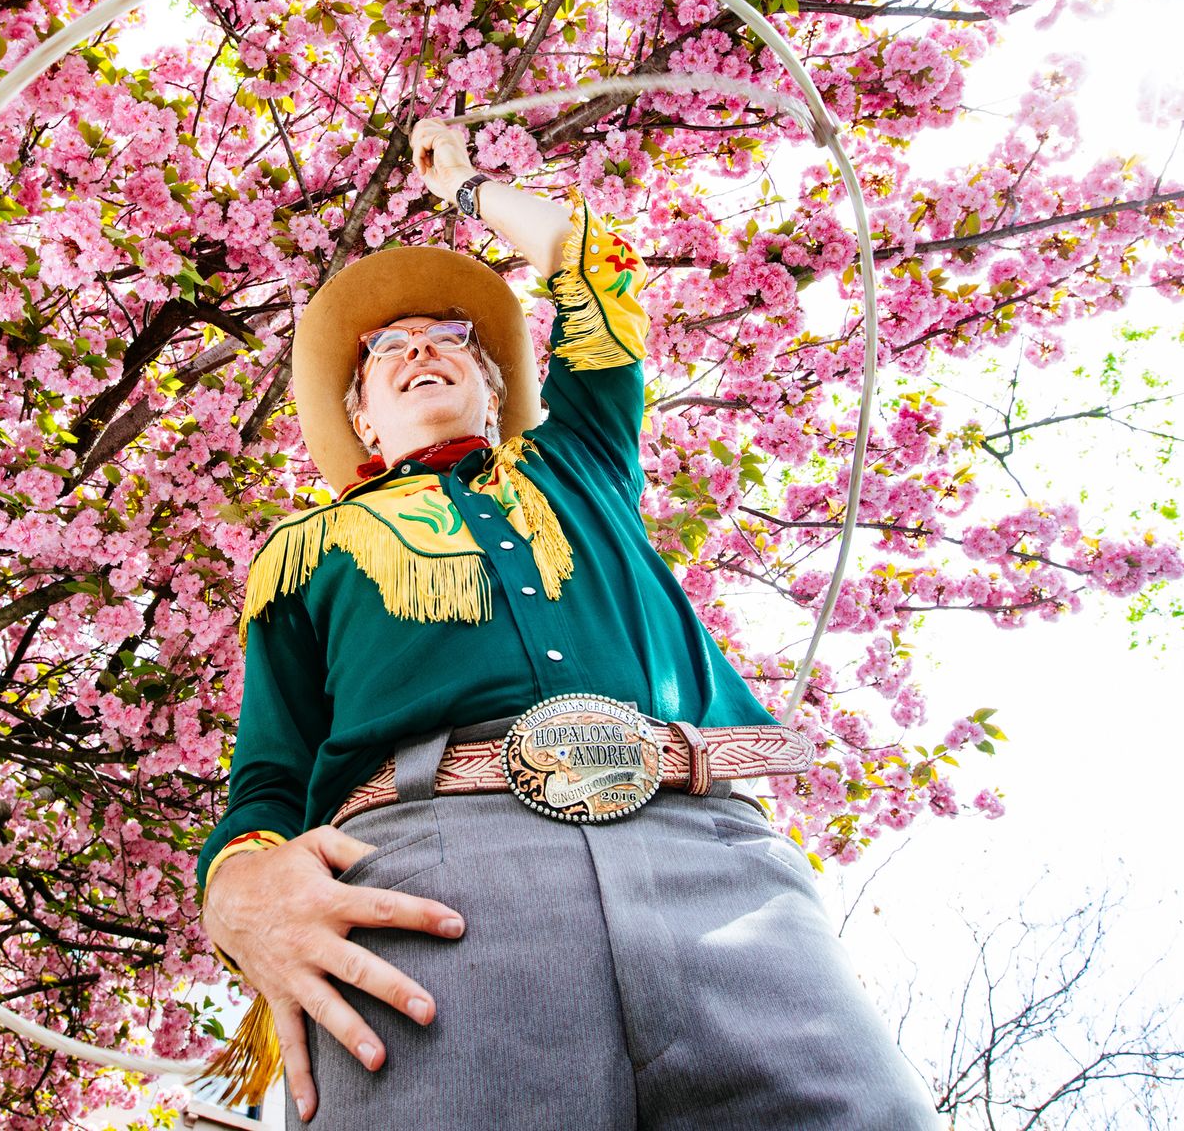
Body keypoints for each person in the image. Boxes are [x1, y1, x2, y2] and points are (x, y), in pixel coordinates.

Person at [197, 117, 939, 1129]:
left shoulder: (580, 460)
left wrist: (462, 186)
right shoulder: (301, 552)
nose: (419, 345)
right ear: (362, 414)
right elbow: (269, 777)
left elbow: (595, 259)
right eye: (385, 348)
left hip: (708, 851)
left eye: (450, 336)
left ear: (500, 390)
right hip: (422, 882)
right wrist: (238, 894)